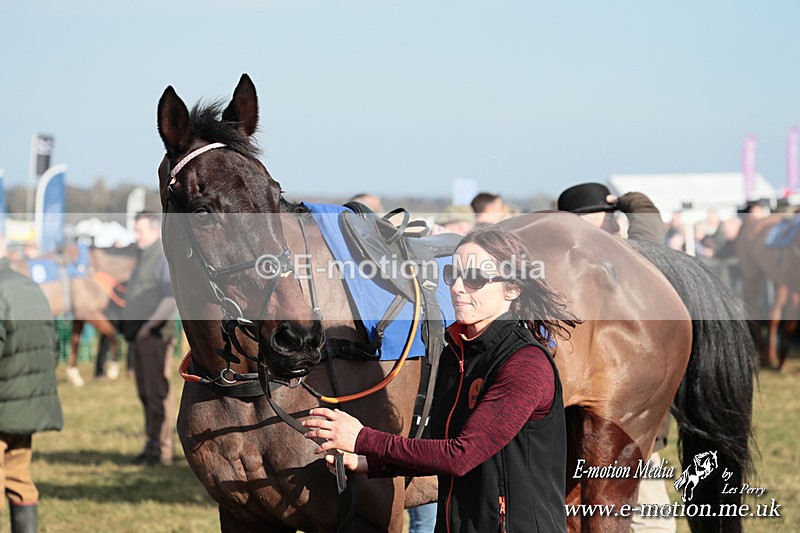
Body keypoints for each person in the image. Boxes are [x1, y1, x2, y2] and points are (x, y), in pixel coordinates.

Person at [304, 227, 578, 532]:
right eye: (453, 274)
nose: (457, 288)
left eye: (474, 278)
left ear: (512, 289)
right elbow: (438, 448)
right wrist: (367, 462)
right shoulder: (455, 353)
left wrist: (362, 438)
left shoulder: (525, 364)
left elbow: (460, 455)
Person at [557, 182, 675, 533]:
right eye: (607, 215)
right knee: (651, 522)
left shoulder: (556, 270)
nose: (615, 221)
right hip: (625, 425)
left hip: (572, 426)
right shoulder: (627, 258)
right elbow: (649, 224)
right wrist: (627, 200)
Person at [0, 235, 63, 532]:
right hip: (26, 403)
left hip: (5, 401)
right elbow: (54, 346)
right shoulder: (29, 286)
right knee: (18, 477)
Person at [120, 212, 177, 466]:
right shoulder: (144, 255)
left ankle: (162, 451)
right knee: (146, 393)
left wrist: (149, 325)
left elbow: (170, 297)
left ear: (155, 231)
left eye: (140, 230)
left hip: (155, 336)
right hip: (141, 335)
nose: (136, 236)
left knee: (157, 394)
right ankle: (151, 445)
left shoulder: (161, 255)